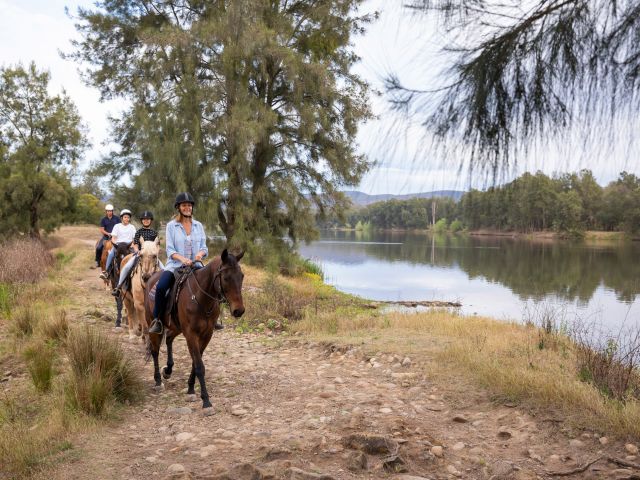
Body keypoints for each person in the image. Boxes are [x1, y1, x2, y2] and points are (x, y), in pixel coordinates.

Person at [149, 192, 209, 334]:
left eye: (189, 205)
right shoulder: (171, 226)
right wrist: (183, 260)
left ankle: (213, 317)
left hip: (196, 266)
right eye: (184, 205)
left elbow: (204, 247)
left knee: (214, 284)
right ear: (179, 208)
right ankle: (157, 320)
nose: (187, 207)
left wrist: (199, 255)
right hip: (175, 265)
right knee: (162, 287)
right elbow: (170, 250)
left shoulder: (198, 226)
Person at [111, 210, 164, 297]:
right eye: (144, 219)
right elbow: (135, 244)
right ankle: (119, 287)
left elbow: (157, 246)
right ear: (142, 221)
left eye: (148, 219)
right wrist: (137, 251)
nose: (146, 221)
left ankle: (167, 289)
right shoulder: (138, 232)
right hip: (140, 254)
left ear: (151, 221)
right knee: (127, 266)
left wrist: (156, 253)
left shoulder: (154, 233)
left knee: (164, 270)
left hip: (152, 256)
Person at [100, 209, 136, 280]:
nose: (127, 219)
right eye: (125, 217)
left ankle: (136, 272)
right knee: (110, 254)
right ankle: (107, 272)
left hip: (128, 246)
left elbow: (134, 239)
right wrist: (115, 244)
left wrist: (132, 245)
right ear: (122, 218)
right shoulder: (117, 226)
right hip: (118, 245)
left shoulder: (132, 227)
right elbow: (113, 238)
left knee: (136, 255)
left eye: (128, 217)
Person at [94, 204, 120, 268]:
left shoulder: (117, 219)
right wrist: (108, 233)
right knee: (99, 247)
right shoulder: (103, 219)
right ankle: (98, 261)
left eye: (110, 211)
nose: (109, 212)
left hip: (115, 237)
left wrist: (114, 234)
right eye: (108, 211)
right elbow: (101, 229)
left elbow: (120, 227)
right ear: (106, 212)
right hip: (106, 236)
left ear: (112, 211)